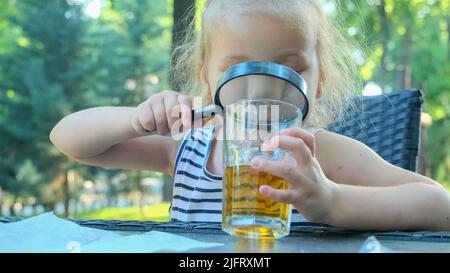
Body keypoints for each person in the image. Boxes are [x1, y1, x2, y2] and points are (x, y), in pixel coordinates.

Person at [50, 0, 450, 231]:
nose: (261, 91)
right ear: (206, 78)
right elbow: (68, 140)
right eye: (238, 69)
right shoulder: (185, 146)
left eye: (287, 68)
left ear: (319, 80)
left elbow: (440, 206)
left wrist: (332, 201)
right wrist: (136, 120)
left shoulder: (318, 155)